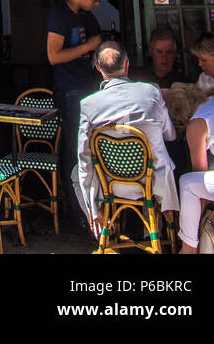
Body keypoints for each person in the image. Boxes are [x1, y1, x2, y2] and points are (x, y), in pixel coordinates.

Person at [75, 39, 178, 235]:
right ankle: (159, 228)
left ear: (97, 68)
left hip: (112, 184)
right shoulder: (152, 91)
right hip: (153, 181)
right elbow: (170, 134)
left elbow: (84, 157)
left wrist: (93, 208)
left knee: (76, 173)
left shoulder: (88, 104)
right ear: (127, 64)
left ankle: (105, 227)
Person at [46, 0, 104, 227]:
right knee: (74, 149)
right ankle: (78, 211)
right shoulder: (60, 15)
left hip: (88, 86)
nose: (97, 3)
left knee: (90, 148)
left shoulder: (86, 15)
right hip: (70, 90)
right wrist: (87, 48)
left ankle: (93, 206)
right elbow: (53, 56)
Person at [167, 84, 214, 253]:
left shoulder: (197, 125)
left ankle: (188, 249)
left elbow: (200, 179)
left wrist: (196, 221)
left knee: (188, 184)